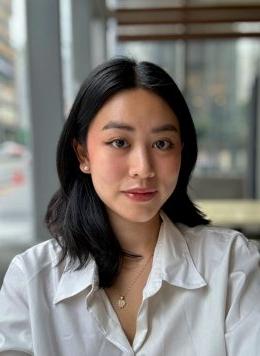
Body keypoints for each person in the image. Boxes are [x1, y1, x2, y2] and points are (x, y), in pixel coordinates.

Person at [0, 57, 259, 356]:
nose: (143, 168)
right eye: (119, 142)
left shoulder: (232, 266)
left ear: (182, 153)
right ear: (82, 154)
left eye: (162, 144)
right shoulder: (32, 281)